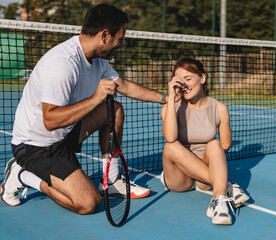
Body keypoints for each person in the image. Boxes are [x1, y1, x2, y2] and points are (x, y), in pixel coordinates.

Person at [0, 4, 168, 214]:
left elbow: (123, 86)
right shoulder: (62, 64)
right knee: (88, 203)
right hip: (36, 147)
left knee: (114, 110)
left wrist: (167, 99)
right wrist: (96, 98)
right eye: (120, 38)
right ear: (105, 35)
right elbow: (50, 121)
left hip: (65, 135)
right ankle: (21, 175)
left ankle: (112, 179)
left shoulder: (98, 60)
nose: (121, 44)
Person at [160, 58, 249, 225]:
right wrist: (171, 98)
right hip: (179, 177)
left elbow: (225, 145)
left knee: (214, 144)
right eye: (179, 81)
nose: (184, 85)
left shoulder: (220, 108)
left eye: (188, 79)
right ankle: (226, 185)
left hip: (204, 179)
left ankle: (218, 200)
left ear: (202, 78)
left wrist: (200, 159)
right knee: (170, 146)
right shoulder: (170, 107)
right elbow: (170, 138)